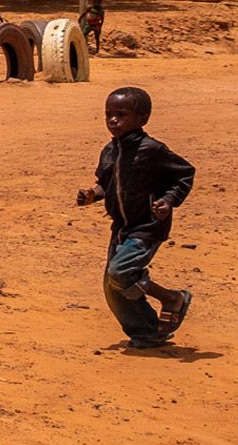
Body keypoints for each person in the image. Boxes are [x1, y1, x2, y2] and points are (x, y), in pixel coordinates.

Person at [76, 86, 196, 350]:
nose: (113, 120)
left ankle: (172, 298)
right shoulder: (110, 151)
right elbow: (105, 183)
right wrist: (91, 195)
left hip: (147, 226)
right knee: (112, 286)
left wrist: (168, 201)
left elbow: (184, 173)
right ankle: (147, 333)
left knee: (120, 273)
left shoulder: (151, 150)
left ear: (142, 119)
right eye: (108, 114)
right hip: (121, 227)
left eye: (121, 114)